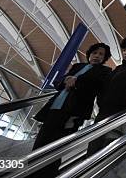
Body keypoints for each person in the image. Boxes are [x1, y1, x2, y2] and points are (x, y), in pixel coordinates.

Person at [32, 43, 112, 176]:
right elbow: (58, 83)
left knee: (55, 149)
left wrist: (77, 81)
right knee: (40, 145)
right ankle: (30, 173)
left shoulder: (105, 71)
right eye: (94, 53)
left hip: (72, 113)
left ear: (104, 58)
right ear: (89, 54)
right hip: (54, 109)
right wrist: (66, 80)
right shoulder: (78, 66)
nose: (96, 56)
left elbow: (95, 87)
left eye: (101, 54)